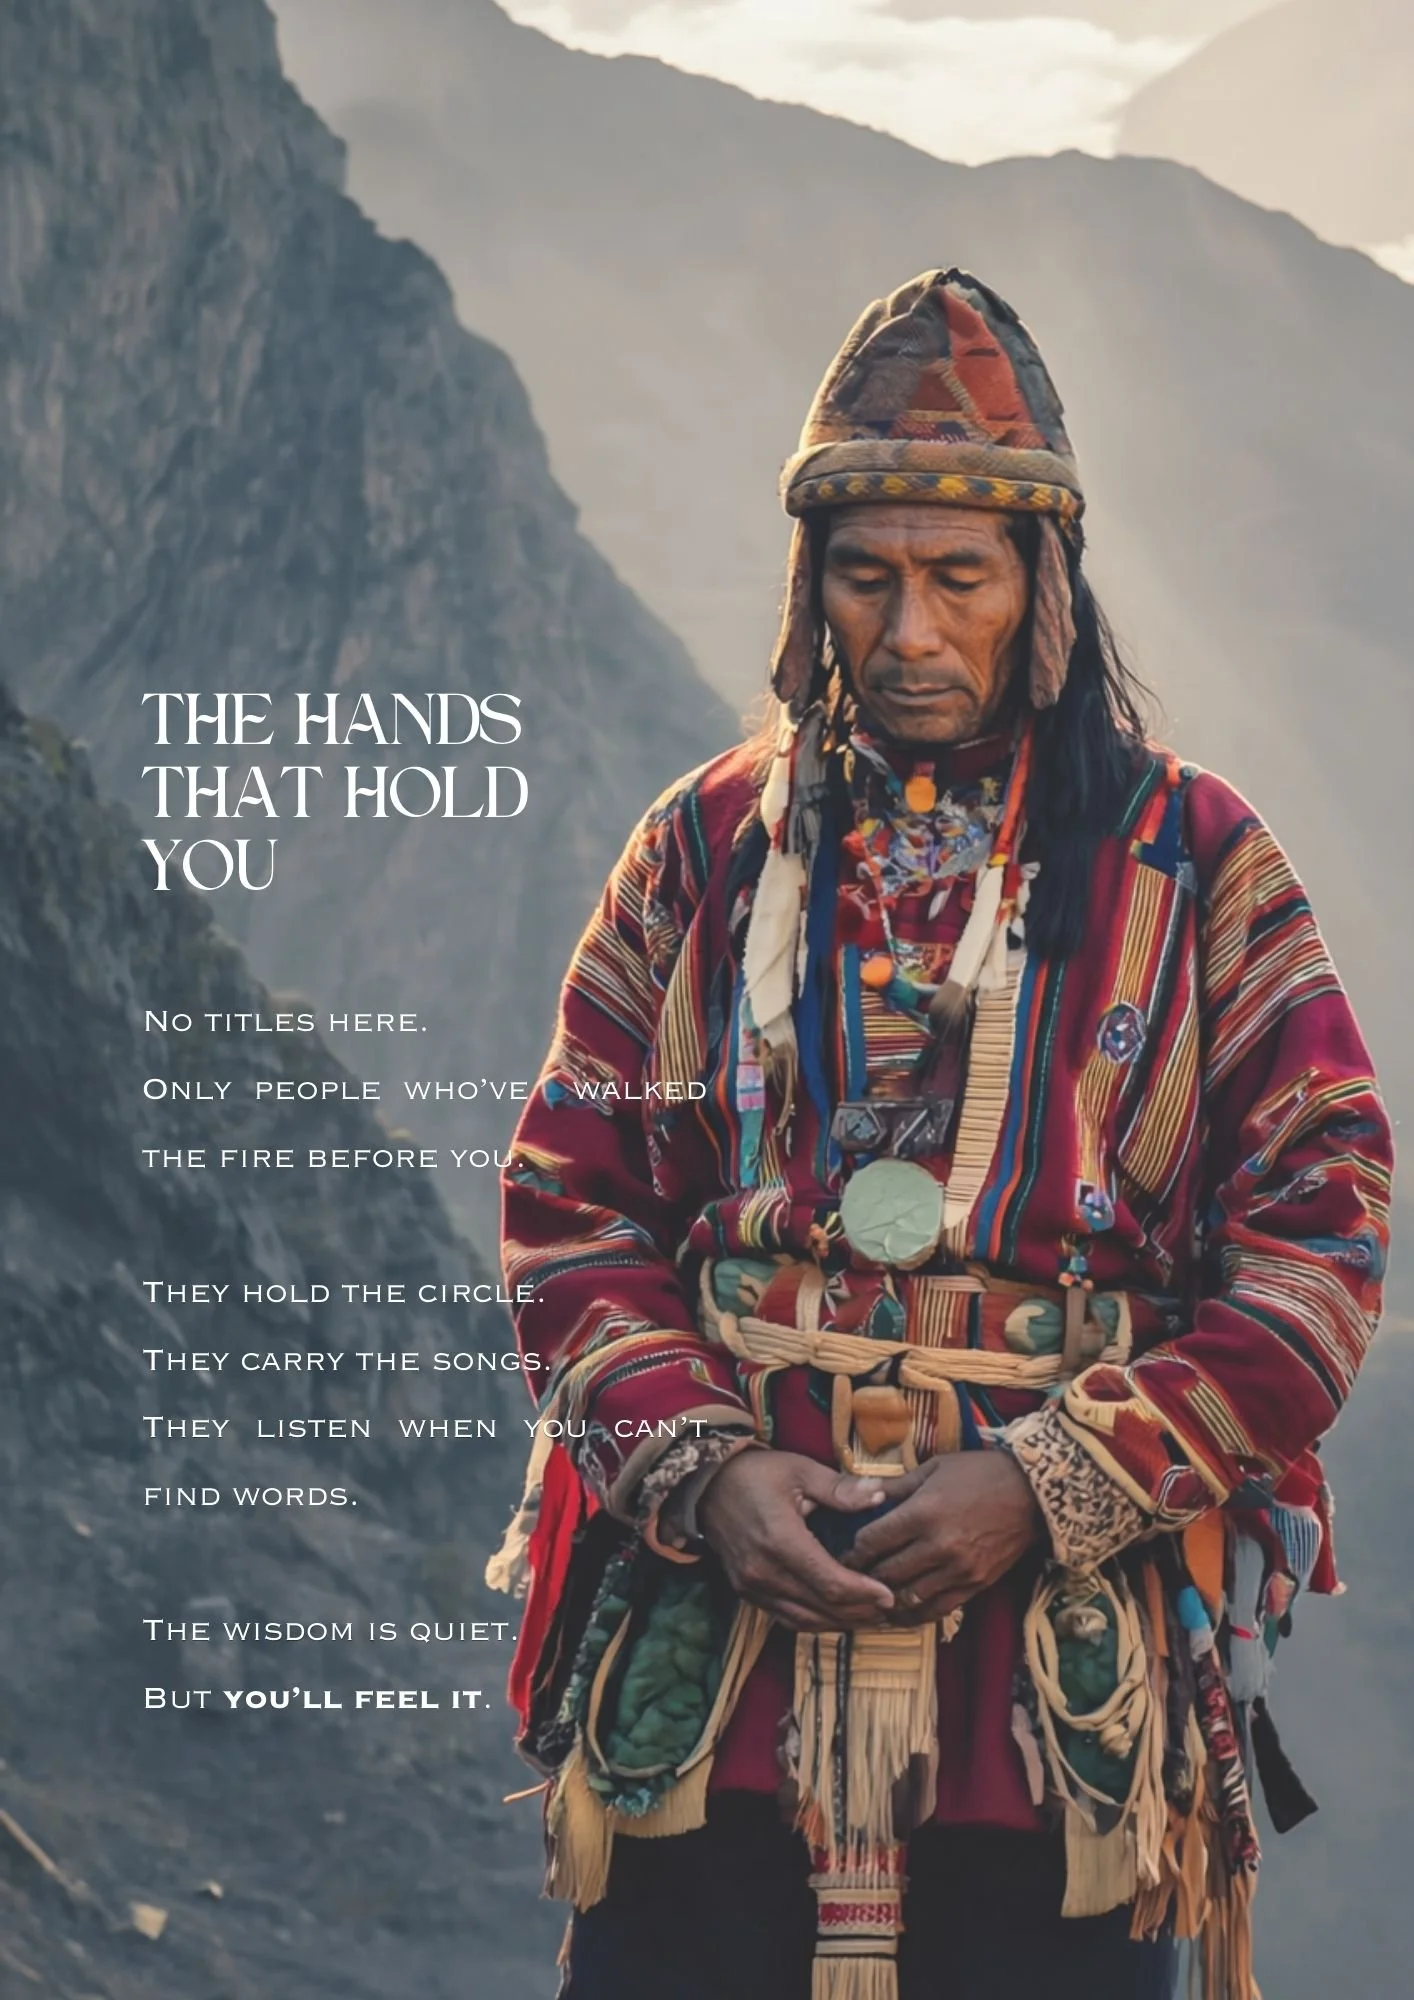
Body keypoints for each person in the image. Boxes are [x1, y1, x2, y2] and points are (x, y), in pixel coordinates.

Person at [490, 270, 1392, 2000]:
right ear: (809, 586)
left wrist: (1046, 1485)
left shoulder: (1194, 865)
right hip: (717, 1661)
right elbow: (568, 1206)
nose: (905, 631)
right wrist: (714, 1471)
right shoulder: (701, 855)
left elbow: (1324, 1241)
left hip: (1049, 1708)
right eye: (864, 575)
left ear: (1039, 588)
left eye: (955, 579)